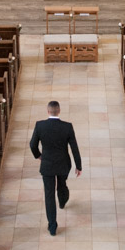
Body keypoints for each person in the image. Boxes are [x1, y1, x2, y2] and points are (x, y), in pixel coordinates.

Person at [29, 100, 82, 236]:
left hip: (47, 165)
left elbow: (32, 145)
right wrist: (78, 166)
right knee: (62, 185)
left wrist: (39, 156)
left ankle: (52, 226)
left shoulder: (40, 126)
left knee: (49, 195)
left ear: (48, 112)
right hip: (63, 163)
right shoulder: (67, 127)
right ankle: (63, 201)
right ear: (59, 111)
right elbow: (74, 148)